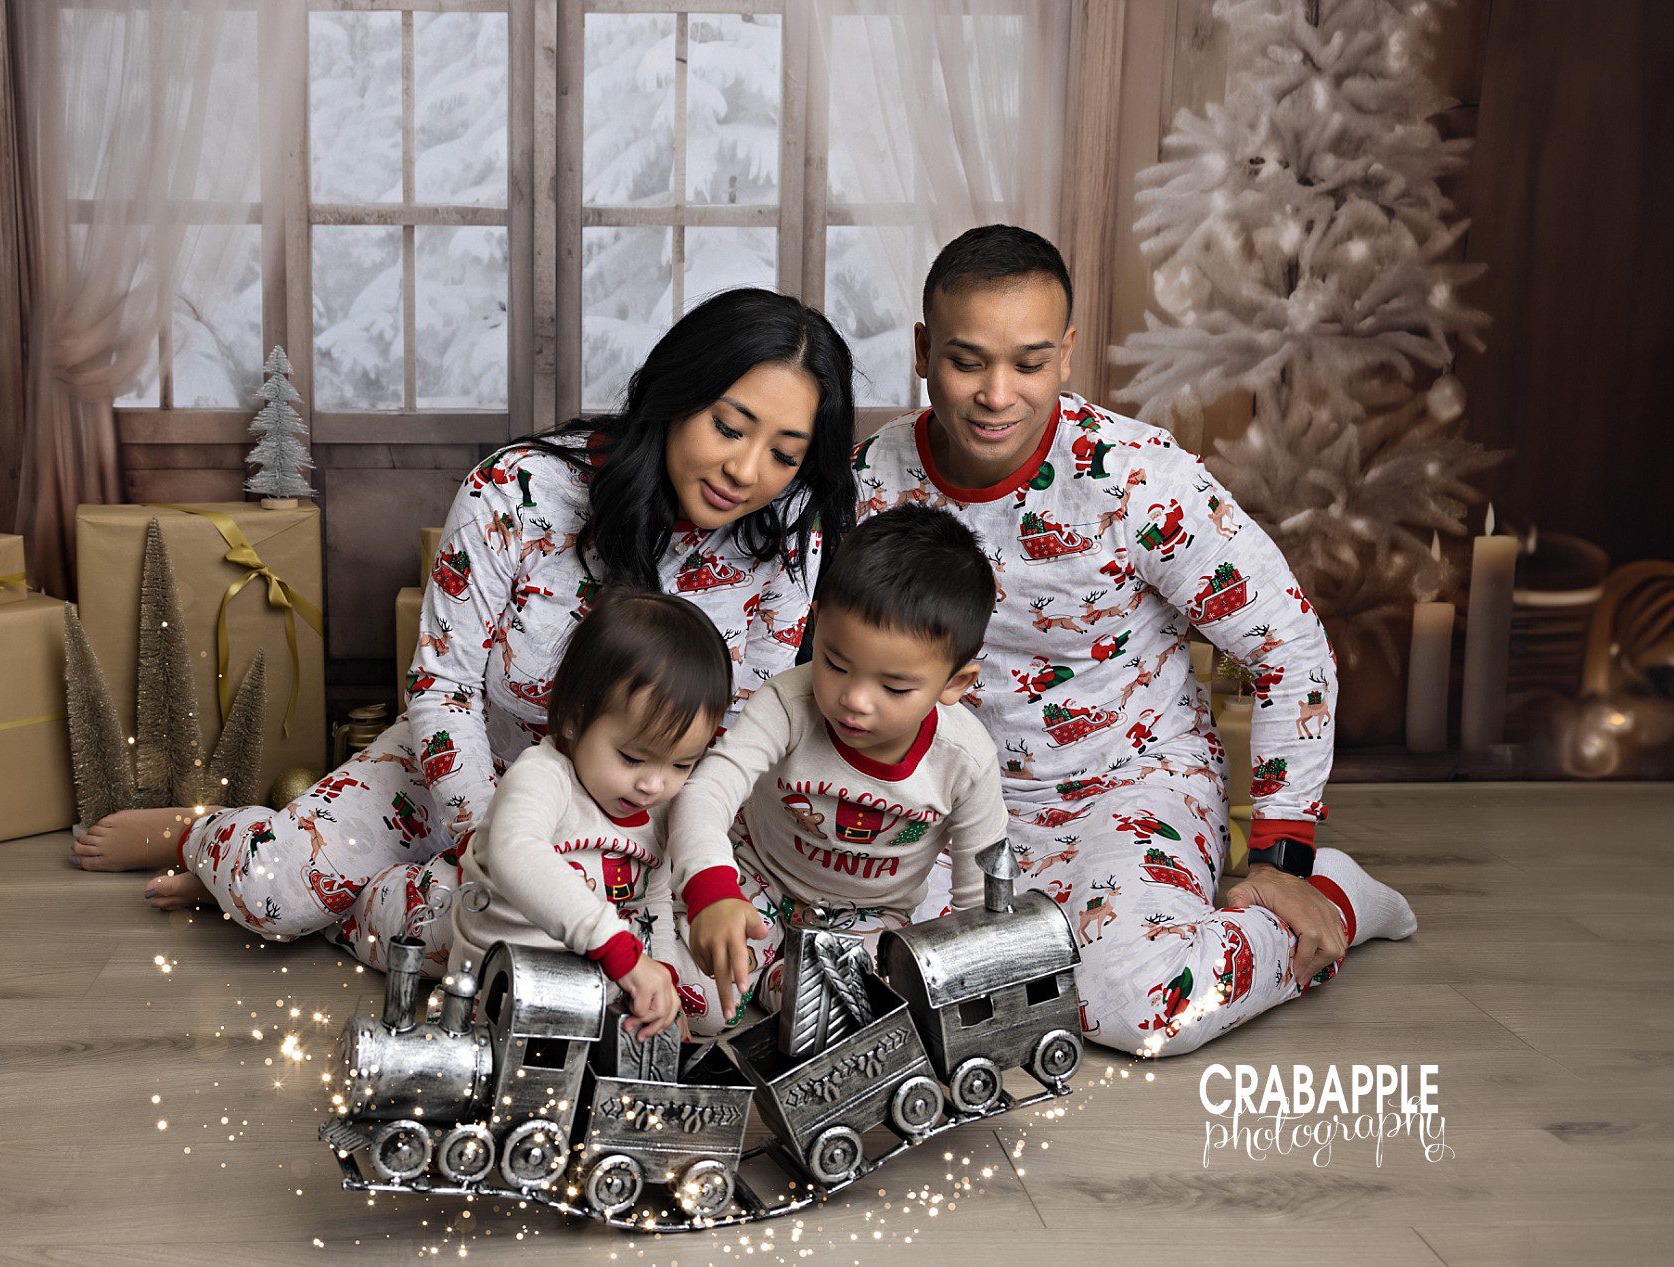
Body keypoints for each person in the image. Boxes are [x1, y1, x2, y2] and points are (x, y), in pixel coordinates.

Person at [69, 287, 856, 972]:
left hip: (635, 806)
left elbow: (732, 735)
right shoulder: (519, 490)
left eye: (784, 454)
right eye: (728, 427)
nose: (747, 471)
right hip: (466, 771)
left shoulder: (785, 538)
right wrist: (495, 848)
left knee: (587, 955)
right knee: (279, 894)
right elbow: (443, 687)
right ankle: (210, 840)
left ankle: (355, 900)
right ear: (677, 394)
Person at [851, 225, 1416, 1057]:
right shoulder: (873, 479)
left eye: (1030, 363)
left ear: (1068, 353)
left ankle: (1333, 901)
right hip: (949, 798)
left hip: (1128, 783)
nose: (996, 393)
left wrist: (1284, 858)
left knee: (1138, 1004)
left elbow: (1289, 646)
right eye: (967, 361)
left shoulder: (1136, 477)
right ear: (924, 350)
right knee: (868, 979)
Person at [667, 505, 1008, 1035]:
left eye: (894, 688)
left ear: (955, 684)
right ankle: (775, 982)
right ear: (817, 620)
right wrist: (713, 891)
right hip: (758, 878)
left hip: (866, 917)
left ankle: (786, 984)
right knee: (702, 1008)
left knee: (877, 1013)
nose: (853, 700)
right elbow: (707, 791)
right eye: (834, 662)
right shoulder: (788, 703)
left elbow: (977, 897)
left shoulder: (964, 760)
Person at [448, 590, 732, 1041]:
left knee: (711, 1013)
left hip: (596, 965)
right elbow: (514, 852)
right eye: (632, 757)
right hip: (504, 964)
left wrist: (661, 972)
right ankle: (387, 900)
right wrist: (619, 950)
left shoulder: (655, 805)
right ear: (574, 722)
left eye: (681, 764)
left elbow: (650, 901)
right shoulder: (544, 776)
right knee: (426, 916)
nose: (653, 785)